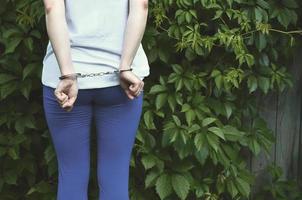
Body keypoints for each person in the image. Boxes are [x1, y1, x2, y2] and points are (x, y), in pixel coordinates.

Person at [41, 0, 150, 199]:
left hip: (64, 81)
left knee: (71, 173)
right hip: (120, 80)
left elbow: (51, 7)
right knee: (115, 173)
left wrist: (67, 75)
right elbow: (141, 6)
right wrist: (125, 66)